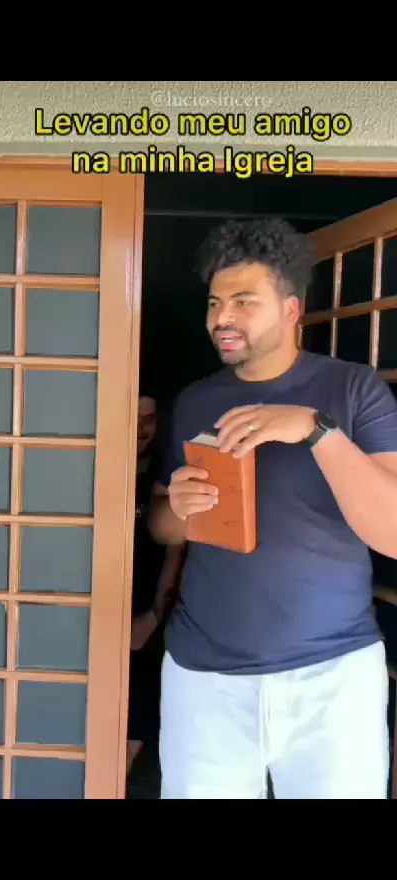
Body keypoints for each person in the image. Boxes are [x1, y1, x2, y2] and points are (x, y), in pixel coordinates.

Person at [149, 217, 397, 799]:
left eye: (244, 301)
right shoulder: (196, 401)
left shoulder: (354, 391)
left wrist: (315, 430)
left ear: (290, 310)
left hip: (333, 677)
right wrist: (178, 509)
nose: (222, 318)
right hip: (203, 679)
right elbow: (161, 526)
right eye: (215, 303)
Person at [127, 391, 184, 778]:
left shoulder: (165, 477)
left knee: (145, 691)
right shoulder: (90, 470)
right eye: (134, 418)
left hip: (151, 610)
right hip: (95, 604)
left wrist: (153, 615)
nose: (141, 430)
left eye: (149, 420)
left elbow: (176, 552)